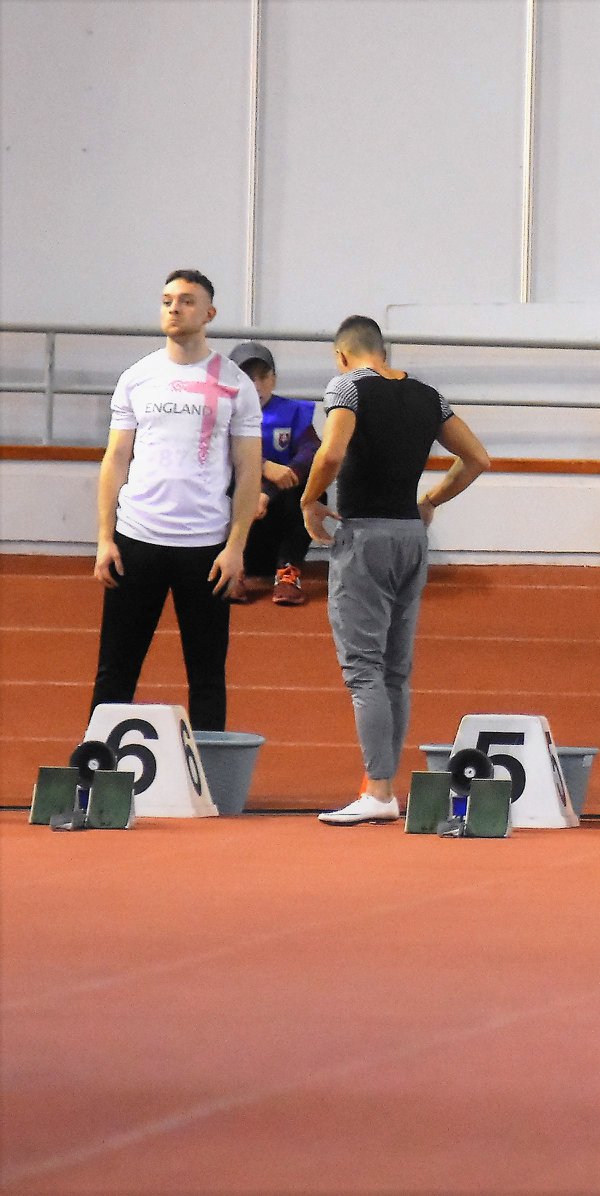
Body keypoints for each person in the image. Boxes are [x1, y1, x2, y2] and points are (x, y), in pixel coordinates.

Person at [301, 316, 489, 825]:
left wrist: (309, 500)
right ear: (382, 350)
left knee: (363, 669)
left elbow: (332, 452)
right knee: (394, 671)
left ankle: (379, 789)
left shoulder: (346, 387)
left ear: (342, 355)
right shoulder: (429, 396)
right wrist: (431, 500)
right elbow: (476, 458)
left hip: (365, 537)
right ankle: (383, 786)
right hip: (410, 536)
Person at [90, 269, 262, 731]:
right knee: (115, 670)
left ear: (209, 313)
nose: (174, 308)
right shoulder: (137, 377)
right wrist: (105, 538)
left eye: (186, 300)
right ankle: (95, 763)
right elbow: (115, 459)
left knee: (207, 675)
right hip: (137, 541)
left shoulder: (234, 384)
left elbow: (249, 470)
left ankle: (209, 769)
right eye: (167, 299)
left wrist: (236, 547)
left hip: (205, 549)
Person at [228, 341, 321, 606]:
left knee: (311, 490)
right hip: (238, 515)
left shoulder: (292, 412)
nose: (256, 385)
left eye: (263, 376)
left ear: (274, 379)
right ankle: (233, 568)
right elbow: (218, 453)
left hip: (278, 516)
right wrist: (263, 467)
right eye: (248, 377)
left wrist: (267, 492)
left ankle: (287, 573)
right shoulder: (221, 413)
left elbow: (311, 451)